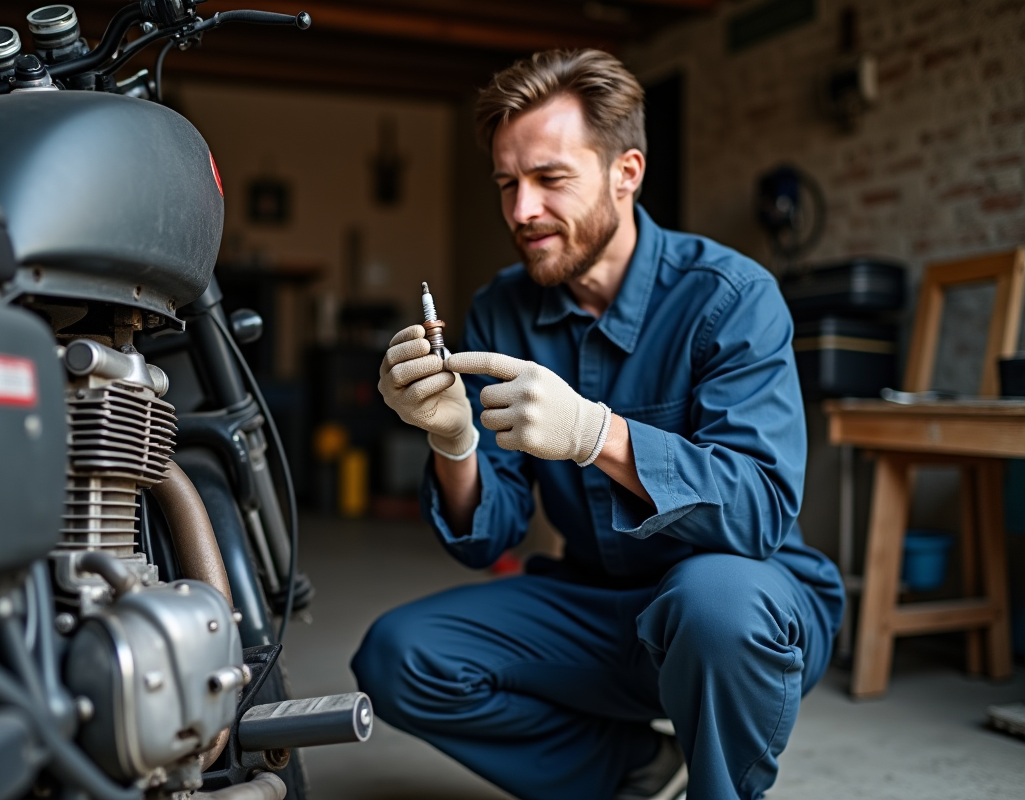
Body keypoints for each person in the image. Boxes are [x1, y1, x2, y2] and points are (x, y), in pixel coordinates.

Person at [351, 49, 844, 800]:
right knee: (400, 655)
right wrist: (453, 442)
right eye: (507, 183)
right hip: (598, 605)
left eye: (550, 178)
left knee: (711, 605)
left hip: (741, 605)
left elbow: (759, 512)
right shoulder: (502, 308)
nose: (522, 210)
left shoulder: (732, 297)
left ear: (626, 172)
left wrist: (596, 435)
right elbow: (487, 539)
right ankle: (631, 768)